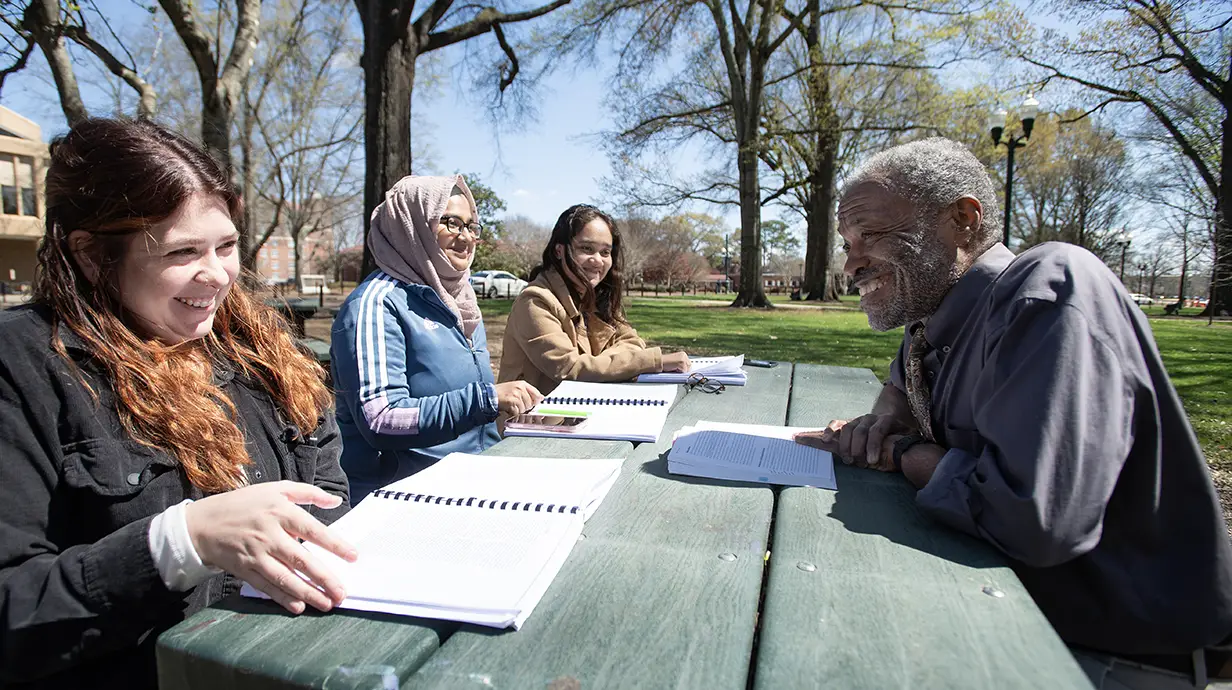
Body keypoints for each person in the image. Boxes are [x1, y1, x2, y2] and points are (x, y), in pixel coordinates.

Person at [794, 137, 1232, 688]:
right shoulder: (932, 323)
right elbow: (899, 397)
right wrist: (884, 423)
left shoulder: (1048, 292)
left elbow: (1033, 517)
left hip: (1112, 654)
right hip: (1001, 611)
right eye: (847, 242)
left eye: (872, 236)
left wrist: (906, 453)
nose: (852, 263)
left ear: (962, 219)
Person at [0, 118, 358, 690]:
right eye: (183, 251)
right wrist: (180, 542)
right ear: (92, 257)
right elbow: (13, 611)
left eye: (226, 245)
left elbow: (328, 489)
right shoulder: (23, 366)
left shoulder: (265, 352)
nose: (217, 275)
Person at [332, 175, 541, 501]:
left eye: (472, 226)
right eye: (451, 223)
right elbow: (381, 418)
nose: (466, 237)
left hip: (476, 483)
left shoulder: (461, 301)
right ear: (412, 224)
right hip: (404, 501)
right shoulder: (376, 305)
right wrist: (486, 400)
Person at [499, 204, 690, 394]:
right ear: (559, 250)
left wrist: (602, 365)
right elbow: (568, 368)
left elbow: (633, 340)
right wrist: (652, 361)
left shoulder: (596, 296)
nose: (597, 260)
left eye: (605, 252)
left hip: (585, 412)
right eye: (586, 248)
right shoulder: (535, 301)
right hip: (533, 421)